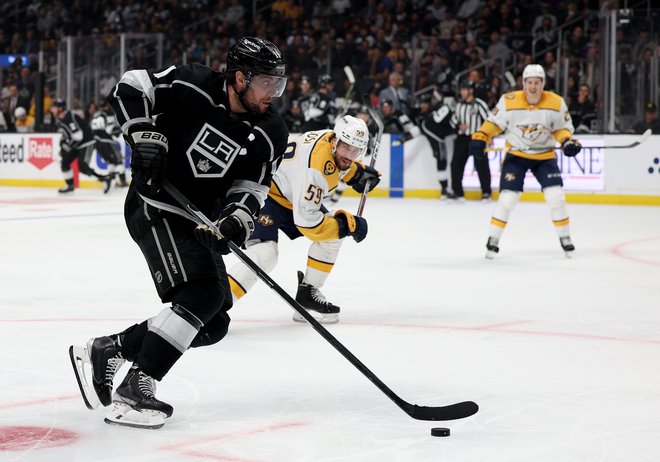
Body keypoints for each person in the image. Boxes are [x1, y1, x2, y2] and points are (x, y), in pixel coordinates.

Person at [68, 37, 289, 429]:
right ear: (240, 78)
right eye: (266, 84)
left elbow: (252, 186)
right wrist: (141, 131)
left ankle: (110, 349)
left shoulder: (271, 129)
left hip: (198, 218)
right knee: (201, 294)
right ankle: (137, 388)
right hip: (154, 204)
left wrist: (236, 220)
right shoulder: (192, 84)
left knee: (214, 321)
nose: (272, 93)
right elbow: (131, 85)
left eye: (277, 84)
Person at [227, 115, 379, 324]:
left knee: (332, 237)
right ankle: (216, 305)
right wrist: (348, 225)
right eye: (347, 148)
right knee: (265, 254)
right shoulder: (314, 170)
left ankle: (307, 296)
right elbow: (309, 224)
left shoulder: (329, 140)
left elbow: (336, 164)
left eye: (356, 151)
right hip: (264, 192)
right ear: (336, 141)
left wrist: (356, 173)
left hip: (290, 192)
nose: (350, 155)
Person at [469, 64, 582, 259]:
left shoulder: (555, 102)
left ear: (543, 83)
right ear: (523, 83)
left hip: (544, 156)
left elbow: (561, 129)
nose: (532, 87)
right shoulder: (509, 101)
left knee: (556, 196)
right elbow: (494, 124)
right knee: (508, 198)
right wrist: (480, 137)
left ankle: (565, 237)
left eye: (537, 82)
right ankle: (493, 239)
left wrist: (567, 141)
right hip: (517, 156)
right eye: (529, 82)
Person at [51, 99, 112, 194]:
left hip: (86, 142)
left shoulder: (69, 117)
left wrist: (67, 146)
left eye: (54, 107)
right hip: (78, 144)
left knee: (83, 167)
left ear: (60, 108)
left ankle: (104, 178)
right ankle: (70, 185)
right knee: (65, 162)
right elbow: (68, 135)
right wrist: (64, 144)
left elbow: (78, 136)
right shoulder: (61, 119)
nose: (52, 110)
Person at [449, 80, 491, 201]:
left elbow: (489, 120)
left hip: (477, 138)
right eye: (461, 89)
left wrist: (488, 135)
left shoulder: (479, 104)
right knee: (456, 164)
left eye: (464, 89)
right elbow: (452, 120)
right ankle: (458, 192)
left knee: (481, 164)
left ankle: (486, 192)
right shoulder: (459, 105)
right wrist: (458, 125)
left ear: (471, 91)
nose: (461, 92)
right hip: (462, 138)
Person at [415, 91, 456, 198]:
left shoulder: (434, 112)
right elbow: (419, 129)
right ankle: (444, 189)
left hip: (440, 141)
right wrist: (403, 139)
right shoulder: (426, 117)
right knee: (441, 163)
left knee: (443, 163)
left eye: (424, 103)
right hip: (438, 142)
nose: (422, 106)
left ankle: (445, 189)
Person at [90, 98, 128, 189]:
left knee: (111, 161)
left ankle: (110, 181)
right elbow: (109, 129)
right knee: (118, 161)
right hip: (106, 140)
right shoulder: (109, 113)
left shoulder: (96, 113)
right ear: (107, 105)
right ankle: (122, 182)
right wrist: (118, 131)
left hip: (96, 142)